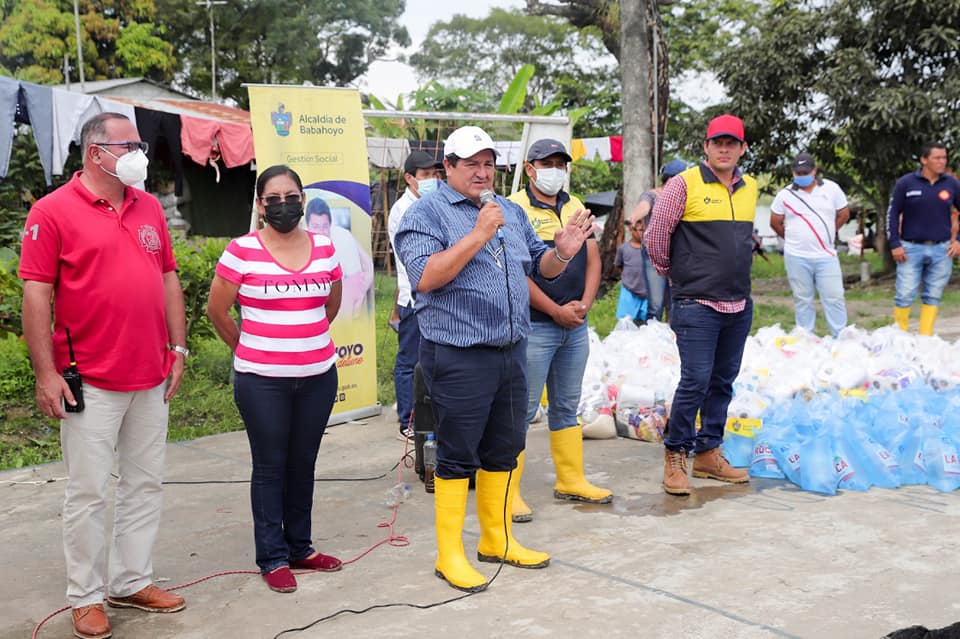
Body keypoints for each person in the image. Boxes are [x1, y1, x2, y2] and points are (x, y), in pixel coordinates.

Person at [395, 125, 594, 592]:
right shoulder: (426, 214)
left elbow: (538, 266)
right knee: (457, 455)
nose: (482, 173)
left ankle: (497, 538)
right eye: (471, 165)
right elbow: (426, 276)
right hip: (458, 353)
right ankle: (450, 556)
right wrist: (479, 234)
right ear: (448, 168)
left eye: (488, 164)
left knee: (505, 448)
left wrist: (562, 255)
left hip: (510, 348)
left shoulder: (507, 209)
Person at [19, 112, 187, 639]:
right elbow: (36, 294)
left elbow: (167, 278)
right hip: (87, 376)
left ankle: (131, 579)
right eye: (129, 144)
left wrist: (178, 348)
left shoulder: (148, 207)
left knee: (144, 483)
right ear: (96, 152)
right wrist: (46, 374)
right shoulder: (53, 212)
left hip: (150, 373)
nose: (140, 152)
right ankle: (86, 596)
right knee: (89, 491)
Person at [207, 165, 344, 594]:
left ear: (302, 199)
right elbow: (217, 311)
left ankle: (300, 547)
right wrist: (250, 349)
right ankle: (272, 556)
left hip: (318, 377)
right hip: (261, 381)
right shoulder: (240, 250)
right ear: (260, 204)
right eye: (274, 198)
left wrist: (303, 341)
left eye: (291, 196)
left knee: (303, 463)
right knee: (270, 467)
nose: (283, 205)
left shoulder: (325, 247)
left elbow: (330, 305)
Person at [647, 114, 757, 496]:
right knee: (695, 381)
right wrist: (674, 274)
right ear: (706, 147)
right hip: (696, 302)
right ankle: (676, 455)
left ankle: (709, 452)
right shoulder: (684, 184)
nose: (724, 149)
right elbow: (656, 236)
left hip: (739, 302)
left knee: (722, 382)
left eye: (732, 143)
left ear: (742, 149)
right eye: (717, 142)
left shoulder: (750, 189)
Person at [506, 138, 611, 524]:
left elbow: (594, 257)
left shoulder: (576, 204)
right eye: (546, 163)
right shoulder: (514, 208)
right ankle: (507, 491)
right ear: (530, 168)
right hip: (535, 326)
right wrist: (554, 310)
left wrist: (584, 303)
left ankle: (570, 479)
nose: (555, 170)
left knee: (567, 405)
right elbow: (516, 272)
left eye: (560, 164)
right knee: (521, 410)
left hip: (574, 326)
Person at [387, 151, 443, 440]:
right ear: (410, 178)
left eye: (436, 174)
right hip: (414, 296)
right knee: (410, 361)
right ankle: (407, 420)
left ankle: (430, 416)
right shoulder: (402, 211)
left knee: (435, 360)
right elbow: (412, 261)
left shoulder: (440, 203)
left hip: (441, 295)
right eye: (426, 175)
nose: (433, 180)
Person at [770, 152, 850, 337]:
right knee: (802, 299)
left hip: (826, 255)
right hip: (796, 256)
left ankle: (841, 336)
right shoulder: (785, 195)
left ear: (815, 170)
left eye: (806, 172)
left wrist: (831, 231)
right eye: (798, 173)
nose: (802, 176)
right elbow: (775, 222)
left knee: (834, 297)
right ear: (793, 172)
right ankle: (806, 336)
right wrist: (789, 238)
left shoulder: (832, 189)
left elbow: (844, 214)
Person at [888, 142, 960, 335]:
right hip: (910, 248)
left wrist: (958, 240)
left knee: (933, 295)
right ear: (924, 160)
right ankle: (900, 337)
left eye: (944, 157)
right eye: (937, 158)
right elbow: (893, 214)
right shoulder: (906, 183)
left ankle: (925, 338)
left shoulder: (952, 183)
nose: (942, 161)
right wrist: (895, 243)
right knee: (904, 294)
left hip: (942, 249)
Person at [630, 159, 687, 321]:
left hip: (679, 253)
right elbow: (644, 206)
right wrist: (634, 217)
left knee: (677, 302)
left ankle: (673, 340)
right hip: (653, 252)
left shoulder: (686, 197)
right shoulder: (653, 195)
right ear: (670, 179)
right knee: (656, 303)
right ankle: (652, 339)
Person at [305, 196, 374, 318]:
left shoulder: (343, 238)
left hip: (342, 291)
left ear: (330, 225)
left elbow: (356, 280)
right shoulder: (300, 239)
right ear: (307, 226)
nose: (321, 232)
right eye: (315, 227)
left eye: (325, 227)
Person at [614, 215, 648, 323]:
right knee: (625, 321)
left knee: (647, 321)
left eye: (644, 229)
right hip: (629, 289)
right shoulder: (624, 249)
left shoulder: (650, 249)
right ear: (631, 231)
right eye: (640, 230)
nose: (642, 233)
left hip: (648, 291)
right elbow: (619, 266)